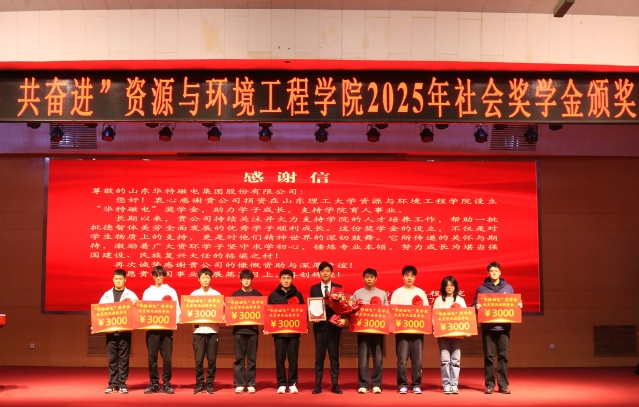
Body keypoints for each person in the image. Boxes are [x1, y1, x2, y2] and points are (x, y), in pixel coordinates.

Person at [471, 261, 523, 395]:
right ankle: (489, 385)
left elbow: (513, 305)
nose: (494, 273)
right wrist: (477, 306)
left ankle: (503, 385)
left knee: (503, 357)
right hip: (488, 329)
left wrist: (518, 305)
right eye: (491, 271)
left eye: (496, 271)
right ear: (488, 273)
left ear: (500, 272)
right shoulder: (481, 289)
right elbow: (473, 305)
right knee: (488, 357)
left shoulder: (509, 288)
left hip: (504, 328)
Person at [99, 269, 139, 394]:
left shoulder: (131, 295)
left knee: (123, 359)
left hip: (125, 332)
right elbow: (100, 312)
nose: (118, 281)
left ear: (125, 279)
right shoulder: (106, 295)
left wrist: (135, 304)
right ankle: (112, 384)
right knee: (112, 359)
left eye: (120, 279)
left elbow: (137, 312)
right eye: (116, 279)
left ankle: (122, 384)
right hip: (110, 332)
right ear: (113, 280)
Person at [142, 265, 181, 394]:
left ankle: (166, 383)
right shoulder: (148, 292)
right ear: (152, 276)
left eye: (160, 275)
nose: (158, 278)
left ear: (164, 276)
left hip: (166, 329)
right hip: (152, 329)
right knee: (152, 357)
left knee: (167, 358)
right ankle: (154, 382)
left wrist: (174, 322)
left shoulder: (171, 291)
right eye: (156, 275)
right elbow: (143, 309)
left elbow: (177, 309)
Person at [390, 265, 428, 395]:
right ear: (403, 277)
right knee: (402, 359)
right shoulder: (397, 293)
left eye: (412, 275)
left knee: (417, 360)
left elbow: (425, 311)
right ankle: (402, 384)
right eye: (407, 275)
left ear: (415, 277)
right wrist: (394, 327)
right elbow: (393, 311)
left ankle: (416, 384)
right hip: (402, 332)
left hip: (417, 331)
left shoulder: (421, 292)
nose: (409, 278)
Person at [310, 261, 346, 394]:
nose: (325, 273)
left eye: (327, 271)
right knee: (319, 358)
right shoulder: (314, 288)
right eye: (322, 271)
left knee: (334, 358)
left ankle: (335, 385)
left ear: (331, 273)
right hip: (319, 328)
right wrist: (313, 316)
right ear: (319, 273)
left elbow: (342, 306)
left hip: (334, 328)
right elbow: (312, 306)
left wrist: (343, 319)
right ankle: (317, 385)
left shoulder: (338, 288)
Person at [267, 269, 304, 394]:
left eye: (288, 278)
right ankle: (282, 383)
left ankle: (293, 383)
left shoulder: (298, 295)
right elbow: (269, 314)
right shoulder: (273, 295)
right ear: (280, 279)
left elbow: (302, 313)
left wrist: (304, 326)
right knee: (279, 359)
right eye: (284, 278)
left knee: (293, 359)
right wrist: (267, 327)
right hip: (279, 333)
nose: (286, 280)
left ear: (292, 279)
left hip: (293, 333)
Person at [352, 268, 388, 394]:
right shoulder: (357, 293)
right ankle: (363, 384)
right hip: (363, 331)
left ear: (376, 279)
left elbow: (386, 312)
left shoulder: (382, 294)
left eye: (371, 277)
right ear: (363, 279)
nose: (369, 279)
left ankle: (376, 384)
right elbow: (352, 310)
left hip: (377, 331)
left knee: (378, 358)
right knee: (363, 359)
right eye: (367, 277)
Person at [432, 276, 467, 395]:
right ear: (443, 287)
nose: (449, 287)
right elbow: (434, 316)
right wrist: (435, 328)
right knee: (445, 360)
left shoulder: (460, 300)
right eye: (447, 285)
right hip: (443, 335)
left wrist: (467, 329)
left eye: (451, 285)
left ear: (455, 287)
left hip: (457, 335)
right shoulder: (438, 300)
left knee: (456, 361)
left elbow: (466, 316)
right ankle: (446, 384)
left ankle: (454, 385)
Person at [231, 269, 263, 394]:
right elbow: (231, 313)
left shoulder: (258, 295)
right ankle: (239, 383)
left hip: (253, 331)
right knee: (239, 359)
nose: (246, 281)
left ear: (251, 280)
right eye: (244, 278)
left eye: (248, 278)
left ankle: (250, 383)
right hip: (238, 331)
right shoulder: (235, 295)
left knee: (252, 359)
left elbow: (262, 314)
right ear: (240, 280)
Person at [190, 268, 220, 395]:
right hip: (198, 331)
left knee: (212, 360)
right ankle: (199, 384)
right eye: (203, 277)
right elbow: (188, 312)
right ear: (199, 279)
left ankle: (210, 384)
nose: (205, 280)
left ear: (211, 279)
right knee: (199, 361)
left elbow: (222, 313)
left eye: (208, 277)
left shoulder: (217, 295)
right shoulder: (193, 295)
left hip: (212, 331)